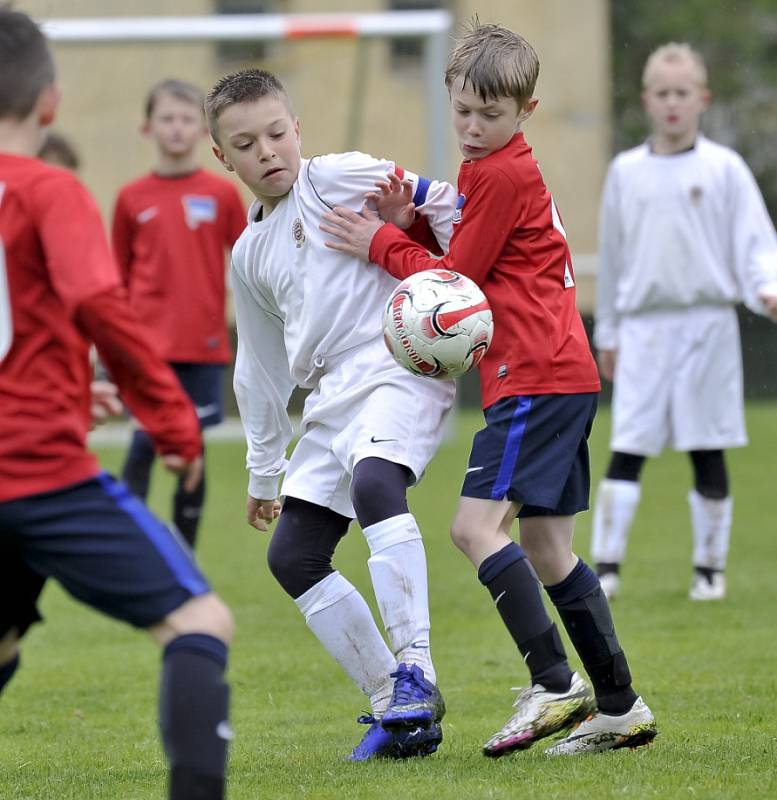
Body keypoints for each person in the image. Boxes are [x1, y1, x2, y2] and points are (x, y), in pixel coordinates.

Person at [321, 21, 657, 756]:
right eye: (462, 111)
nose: (472, 128)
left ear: (525, 111)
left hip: (533, 377)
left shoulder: (500, 173)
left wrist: (376, 240)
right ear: (450, 98)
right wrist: (414, 225)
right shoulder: (495, 170)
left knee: (474, 530)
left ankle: (552, 682)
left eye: (490, 115)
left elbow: (452, 286)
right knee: (545, 545)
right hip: (559, 375)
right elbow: (477, 263)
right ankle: (619, 706)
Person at [0, 10, 234, 799]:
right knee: (201, 625)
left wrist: (66, 386)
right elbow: (100, 305)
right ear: (50, 104)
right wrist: (171, 419)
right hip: (39, 475)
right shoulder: (49, 190)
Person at [204, 67, 456, 760]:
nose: (268, 152)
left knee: (377, 482)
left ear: (298, 130)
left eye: (278, 133)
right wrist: (264, 472)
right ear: (222, 157)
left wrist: (413, 235)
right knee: (293, 556)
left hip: (397, 364)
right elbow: (256, 369)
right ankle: (398, 713)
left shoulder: (338, 177)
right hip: (330, 398)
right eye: (246, 143)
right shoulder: (249, 253)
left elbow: (455, 205)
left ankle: (417, 671)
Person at [589, 43, 777, 602]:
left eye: (683, 93)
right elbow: (615, 255)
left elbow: (754, 241)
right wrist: (610, 331)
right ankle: (606, 566)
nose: (673, 104)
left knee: (707, 444)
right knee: (629, 444)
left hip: (708, 327)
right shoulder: (626, 171)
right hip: (645, 329)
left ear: (702, 99)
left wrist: (767, 287)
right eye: (663, 94)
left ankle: (709, 571)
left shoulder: (724, 168)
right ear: (648, 100)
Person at [112, 78, 246, 548]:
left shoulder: (222, 194)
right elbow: (117, 278)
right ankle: (130, 545)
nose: (176, 128)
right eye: (166, 118)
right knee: (145, 441)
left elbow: (249, 259)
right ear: (148, 127)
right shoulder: (131, 198)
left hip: (204, 346)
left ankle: (184, 551)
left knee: (193, 449)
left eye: (187, 119)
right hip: (147, 349)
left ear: (203, 131)